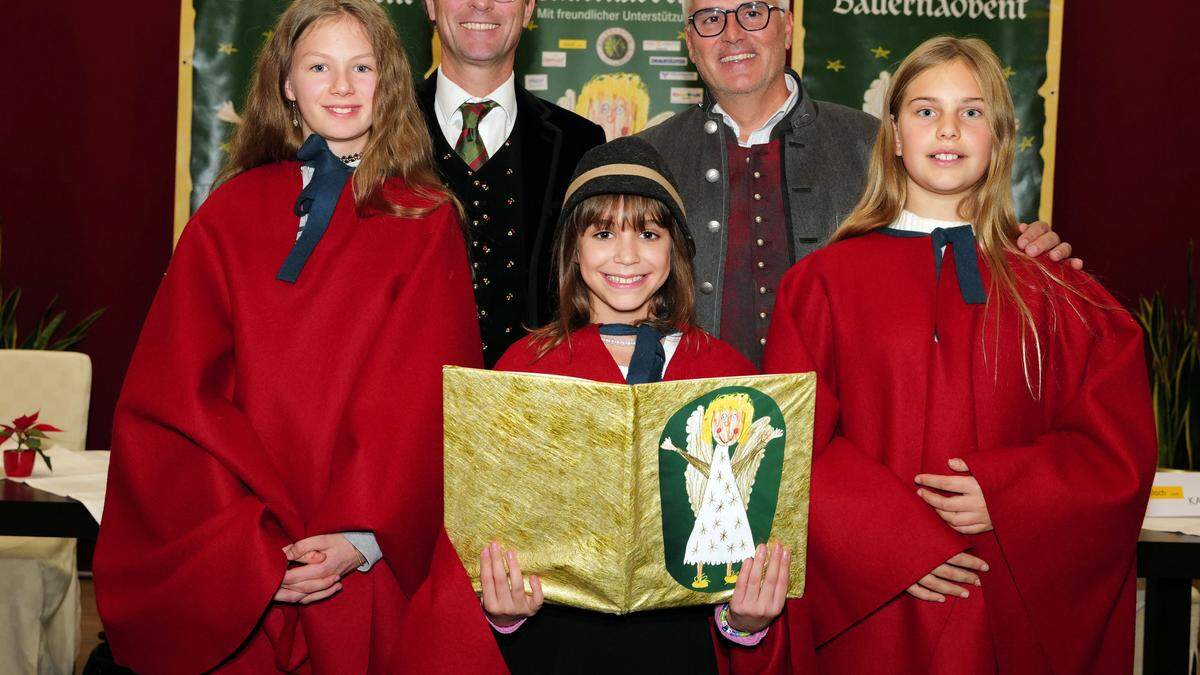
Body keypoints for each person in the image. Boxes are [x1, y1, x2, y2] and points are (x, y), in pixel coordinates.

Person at [92, 1, 507, 672]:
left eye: (361, 67)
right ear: (287, 83)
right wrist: (246, 551)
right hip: (244, 557)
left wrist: (359, 536)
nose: (342, 88)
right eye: (319, 66)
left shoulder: (426, 221)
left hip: (358, 561)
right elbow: (178, 398)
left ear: (390, 81)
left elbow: (426, 405)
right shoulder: (228, 213)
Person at [761, 37, 1156, 674]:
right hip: (879, 602)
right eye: (924, 111)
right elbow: (793, 442)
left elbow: (1114, 452)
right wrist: (897, 545)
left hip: (1008, 588)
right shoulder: (821, 286)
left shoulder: (1060, 291)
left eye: (971, 112)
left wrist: (1009, 494)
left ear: (1000, 136)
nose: (948, 128)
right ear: (891, 134)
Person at [482, 136, 791, 673]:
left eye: (649, 234)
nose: (627, 255)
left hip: (682, 650)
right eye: (603, 233)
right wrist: (503, 611)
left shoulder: (728, 373)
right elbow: (487, 532)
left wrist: (742, 621)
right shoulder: (523, 366)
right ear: (572, 250)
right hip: (554, 648)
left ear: (675, 249)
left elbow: (746, 541)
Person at [638, 0, 1075, 366]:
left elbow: (958, 235)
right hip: (684, 425)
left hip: (843, 437)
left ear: (788, 27)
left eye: (753, 11)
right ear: (691, 44)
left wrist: (1023, 247)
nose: (732, 33)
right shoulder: (645, 160)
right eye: (711, 19)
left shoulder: (876, 144)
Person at [418, 0, 606, 365]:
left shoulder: (580, 142)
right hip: (406, 402)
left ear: (528, 8)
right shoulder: (377, 132)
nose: (482, 4)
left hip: (538, 401)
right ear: (430, 5)